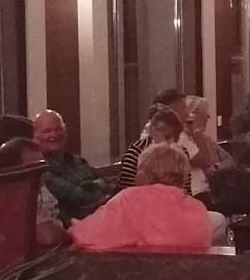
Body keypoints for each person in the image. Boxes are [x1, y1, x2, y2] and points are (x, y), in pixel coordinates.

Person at [69, 142, 229, 253]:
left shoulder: (129, 199)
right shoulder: (198, 208)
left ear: (143, 175)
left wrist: (71, 227)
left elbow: (85, 235)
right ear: (182, 178)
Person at [29, 109, 110, 225]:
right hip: (76, 228)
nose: (54, 135)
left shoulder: (79, 161)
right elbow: (80, 197)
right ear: (35, 138)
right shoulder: (41, 171)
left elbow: (108, 184)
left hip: (103, 217)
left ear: (65, 132)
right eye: (47, 131)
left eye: (58, 129)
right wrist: (97, 187)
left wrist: (96, 187)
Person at [118, 105, 187, 190]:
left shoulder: (181, 154)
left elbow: (185, 191)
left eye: (176, 137)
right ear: (152, 131)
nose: (171, 143)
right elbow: (127, 191)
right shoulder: (134, 152)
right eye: (167, 137)